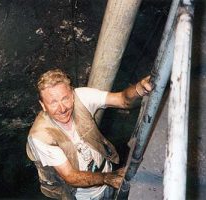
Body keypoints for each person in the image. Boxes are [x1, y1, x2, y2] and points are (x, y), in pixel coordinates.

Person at [26, 68, 153, 200]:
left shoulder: (82, 96)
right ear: (43, 105)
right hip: (82, 195)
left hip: (107, 174)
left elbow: (122, 100)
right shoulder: (40, 137)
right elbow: (71, 177)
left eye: (65, 98)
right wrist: (107, 178)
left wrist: (139, 89)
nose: (62, 109)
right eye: (53, 102)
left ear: (72, 94)